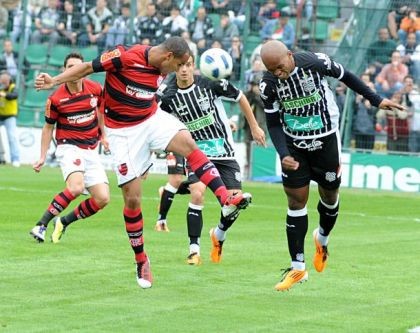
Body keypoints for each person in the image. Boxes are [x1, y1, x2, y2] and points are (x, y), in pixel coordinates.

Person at [34, 36, 254, 289]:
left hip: (151, 118)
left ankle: (225, 197)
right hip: (123, 134)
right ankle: (141, 259)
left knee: (189, 144)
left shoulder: (164, 68)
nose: (178, 72)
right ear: (168, 57)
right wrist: (53, 81)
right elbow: (85, 68)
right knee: (133, 200)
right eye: (177, 66)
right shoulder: (124, 56)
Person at [258, 40, 405, 291]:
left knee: (330, 197)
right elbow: (272, 123)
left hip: (326, 140)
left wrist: (376, 99)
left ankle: (322, 238)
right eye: (272, 70)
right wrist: (283, 152)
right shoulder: (268, 84)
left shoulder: (315, 63)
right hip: (295, 146)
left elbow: (346, 76)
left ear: (290, 56)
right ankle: (298, 268)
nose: (277, 74)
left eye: (280, 67)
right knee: (295, 201)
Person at [157, 54, 266, 265]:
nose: (184, 70)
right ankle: (193, 251)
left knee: (236, 202)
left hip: (224, 152)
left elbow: (240, 97)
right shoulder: (168, 96)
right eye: (179, 66)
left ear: (194, 66)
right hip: (197, 155)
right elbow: (157, 121)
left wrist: (253, 126)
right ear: (174, 68)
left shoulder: (210, 84)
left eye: (187, 65)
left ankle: (218, 234)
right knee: (197, 193)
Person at [29, 52, 110, 244]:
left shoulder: (95, 89)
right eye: (70, 67)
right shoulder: (56, 99)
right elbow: (48, 127)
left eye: (78, 67)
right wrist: (42, 156)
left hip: (90, 149)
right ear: (64, 71)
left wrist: (104, 135)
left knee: (103, 198)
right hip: (69, 147)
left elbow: (100, 111)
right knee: (76, 187)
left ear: (85, 71)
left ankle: (63, 222)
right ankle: (41, 224)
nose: (74, 70)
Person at [155, 151, 190, 232]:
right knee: (176, 180)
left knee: (199, 184)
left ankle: (166, 191)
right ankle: (161, 221)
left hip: (193, 147)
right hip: (175, 145)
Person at [0, 71, 20, 167]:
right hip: (0, 115)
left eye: (5, 80)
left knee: (12, 137)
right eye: (2, 80)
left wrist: (3, 94)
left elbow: (14, 96)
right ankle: (1, 157)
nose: (3, 83)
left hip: (10, 116)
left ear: (9, 80)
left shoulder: (13, 87)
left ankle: (15, 159)